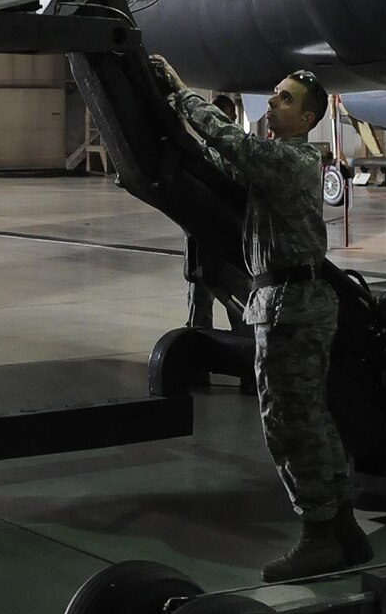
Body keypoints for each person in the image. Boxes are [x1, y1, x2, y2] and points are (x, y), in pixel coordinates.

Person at [148, 55, 373, 583]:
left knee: (289, 424)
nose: (273, 102)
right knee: (311, 419)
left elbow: (236, 147)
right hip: (289, 301)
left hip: (291, 306)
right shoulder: (277, 160)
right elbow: (223, 164)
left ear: (309, 120)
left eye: (286, 99)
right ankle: (342, 529)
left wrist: (182, 93)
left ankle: (319, 536)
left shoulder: (293, 162)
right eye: (275, 94)